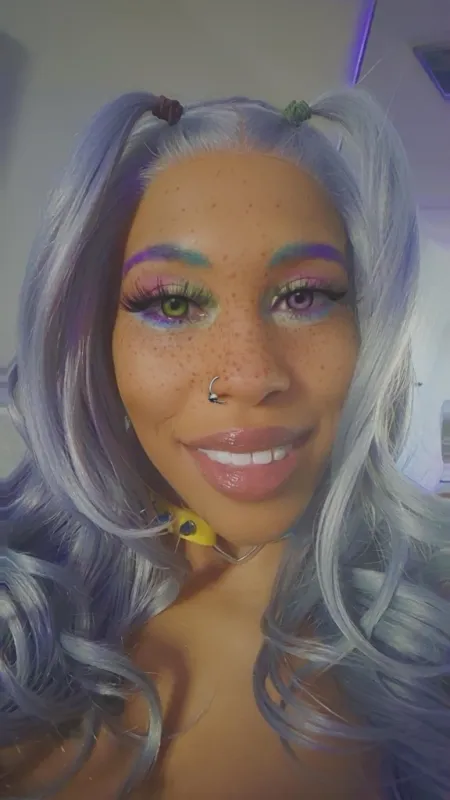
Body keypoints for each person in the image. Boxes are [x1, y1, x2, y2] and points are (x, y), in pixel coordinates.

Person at [1, 86, 450, 800]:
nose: (248, 376)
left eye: (303, 296)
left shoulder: (430, 627)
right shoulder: (17, 590)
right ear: (93, 341)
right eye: (173, 303)